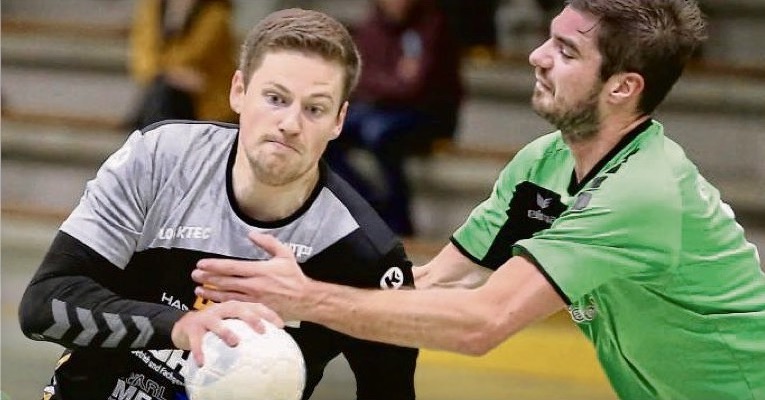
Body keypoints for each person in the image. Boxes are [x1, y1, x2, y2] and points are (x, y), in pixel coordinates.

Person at [191, 1, 765, 399]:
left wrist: (310, 297)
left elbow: (481, 322)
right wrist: (284, 304)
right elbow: (437, 283)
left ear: (622, 87)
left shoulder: (642, 193)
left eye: (566, 52)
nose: (538, 55)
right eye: (549, 37)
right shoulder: (545, 162)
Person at [18, 8, 418, 400]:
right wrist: (181, 326)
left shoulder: (364, 254)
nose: (291, 124)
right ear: (238, 91)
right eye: (276, 98)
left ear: (339, 120)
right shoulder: (158, 159)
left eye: (314, 108)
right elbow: (43, 304)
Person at [324, 0, 464, 236]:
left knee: (381, 135)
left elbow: (415, 87)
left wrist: (382, 83)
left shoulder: (432, 26)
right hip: (378, 110)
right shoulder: (372, 26)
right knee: (326, 132)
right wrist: (392, 82)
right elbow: (356, 79)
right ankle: (370, 202)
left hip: (428, 114)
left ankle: (399, 218)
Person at [127, 0, 238, 130]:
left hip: (208, 103)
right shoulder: (153, 7)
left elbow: (191, 55)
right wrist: (167, 73)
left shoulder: (217, 13)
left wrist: (161, 70)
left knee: (162, 94)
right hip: (172, 95)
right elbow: (143, 58)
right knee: (161, 92)